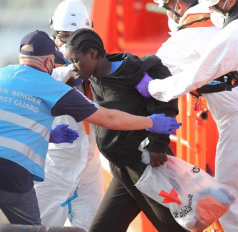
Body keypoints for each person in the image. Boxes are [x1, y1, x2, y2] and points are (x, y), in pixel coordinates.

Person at [0, 30, 181, 226]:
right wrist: (152, 122)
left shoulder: (3, 74)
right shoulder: (63, 85)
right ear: (46, 61)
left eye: (75, 61)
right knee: (33, 228)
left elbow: (16, 118)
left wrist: (48, 135)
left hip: (136, 166)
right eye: (62, 61)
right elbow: (107, 117)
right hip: (17, 172)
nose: (72, 67)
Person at [136, 0, 238, 232]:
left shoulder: (181, 41)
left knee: (231, 196)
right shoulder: (229, 25)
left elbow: (159, 74)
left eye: (168, 8)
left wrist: (152, 87)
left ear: (178, 5)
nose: (169, 15)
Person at [65, 28, 186, 232]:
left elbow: (164, 102)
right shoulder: (93, 76)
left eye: (76, 60)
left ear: (93, 54)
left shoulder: (131, 73)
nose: (73, 67)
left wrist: (158, 144)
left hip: (146, 165)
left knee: (173, 228)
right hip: (122, 170)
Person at [34, 0, 104, 231]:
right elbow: (45, 84)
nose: (71, 44)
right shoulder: (44, 66)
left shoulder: (97, 65)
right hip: (53, 164)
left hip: (89, 164)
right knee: (36, 224)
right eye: (65, 36)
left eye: (77, 36)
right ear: (54, 35)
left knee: (91, 225)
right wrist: (74, 69)